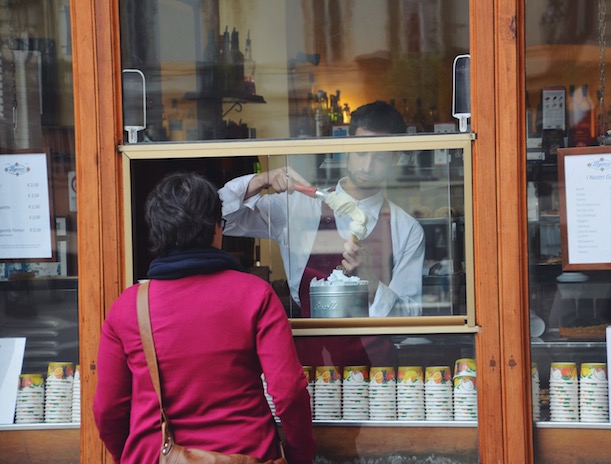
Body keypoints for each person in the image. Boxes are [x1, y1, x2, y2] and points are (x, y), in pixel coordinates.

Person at [93, 172, 315, 464]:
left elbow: (107, 409)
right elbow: (287, 391)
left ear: (157, 234)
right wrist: (300, 455)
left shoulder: (127, 307)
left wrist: (134, 455)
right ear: (216, 229)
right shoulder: (254, 295)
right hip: (247, 454)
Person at [218, 101, 425, 367]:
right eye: (361, 153)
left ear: (395, 158)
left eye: (380, 156)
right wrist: (260, 180)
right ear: (348, 148)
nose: (367, 165)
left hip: (377, 374)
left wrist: (371, 283)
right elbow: (220, 217)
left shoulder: (406, 228)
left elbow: (412, 319)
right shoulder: (300, 206)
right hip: (309, 367)